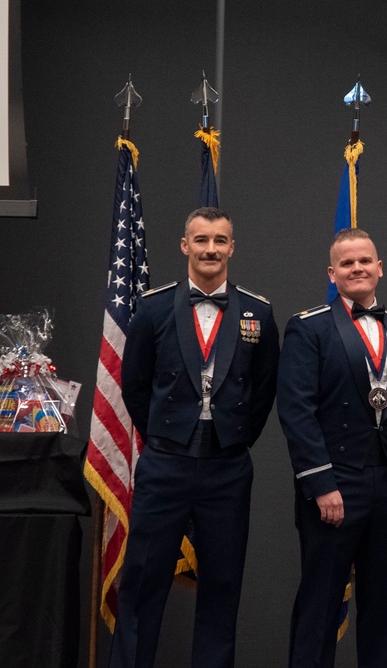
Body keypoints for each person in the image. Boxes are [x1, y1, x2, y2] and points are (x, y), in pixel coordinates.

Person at [114, 207, 280, 667]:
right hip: (165, 465)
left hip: (227, 469)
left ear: (232, 247)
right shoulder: (152, 307)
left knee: (222, 589)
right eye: (201, 240)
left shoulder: (257, 312)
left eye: (220, 241)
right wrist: (168, 438)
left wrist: (231, 439)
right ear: (185, 245)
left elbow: (264, 390)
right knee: (142, 584)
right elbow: (135, 386)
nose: (211, 249)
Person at [277, 228, 387, 668]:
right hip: (334, 483)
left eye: (365, 261)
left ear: (380, 268)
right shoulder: (308, 326)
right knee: (320, 603)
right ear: (333, 273)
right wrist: (321, 483)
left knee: (385, 607)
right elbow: (296, 412)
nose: (357, 269)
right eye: (347, 264)